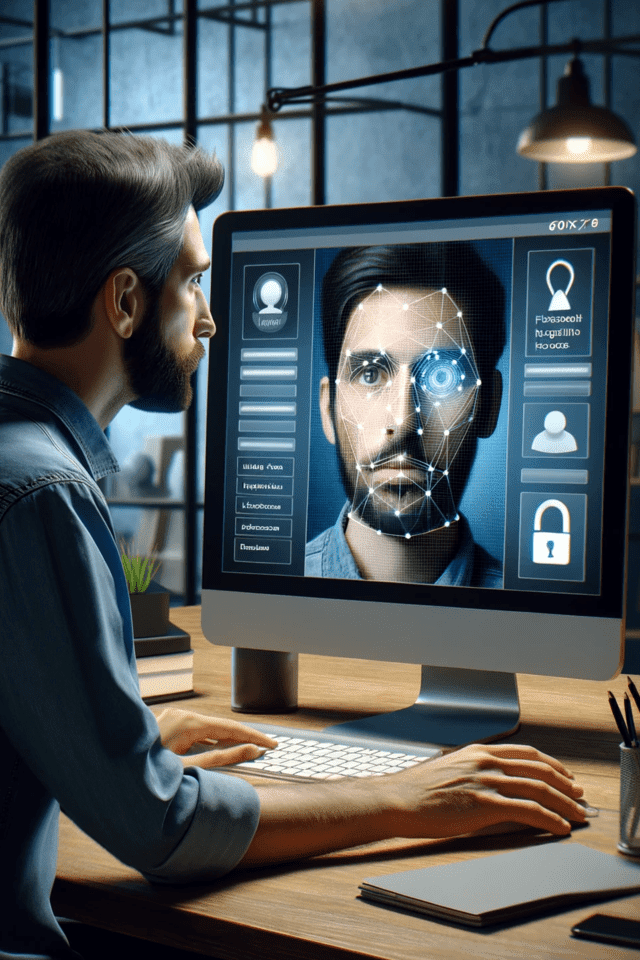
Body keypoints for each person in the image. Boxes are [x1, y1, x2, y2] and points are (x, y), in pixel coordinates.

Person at [0, 131, 588, 960]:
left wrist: (113, 747)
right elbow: (161, 832)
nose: (208, 319)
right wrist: (406, 799)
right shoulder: (43, 498)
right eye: (193, 281)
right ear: (125, 302)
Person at [306, 242, 506, 586]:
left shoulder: (540, 625)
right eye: (370, 374)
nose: (402, 422)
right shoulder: (263, 595)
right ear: (328, 409)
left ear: (488, 405)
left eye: (442, 377)